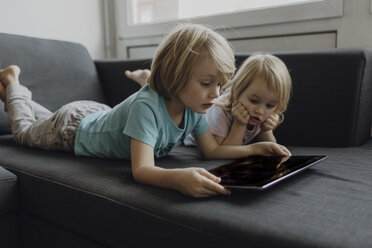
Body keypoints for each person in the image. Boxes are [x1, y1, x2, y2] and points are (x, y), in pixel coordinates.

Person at [0, 24, 290, 198]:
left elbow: (212, 150)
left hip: (95, 113)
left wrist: (258, 149)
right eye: (206, 83)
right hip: (72, 131)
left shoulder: (196, 106)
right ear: (175, 75)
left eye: (220, 84)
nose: (216, 94)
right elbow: (142, 170)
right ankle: (12, 82)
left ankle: (16, 95)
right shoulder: (146, 106)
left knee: (43, 120)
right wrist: (179, 179)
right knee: (24, 133)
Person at [126, 53, 292, 146]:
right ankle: (147, 80)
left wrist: (266, 130)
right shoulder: (219, 110)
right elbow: (223, 151)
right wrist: (239, 125)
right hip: (194, 137)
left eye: (270, 105)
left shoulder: (261, 113)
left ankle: (146, 79)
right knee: (165, 97)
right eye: (254, 101)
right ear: (237, 91)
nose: (260, 111)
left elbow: (270, 148)